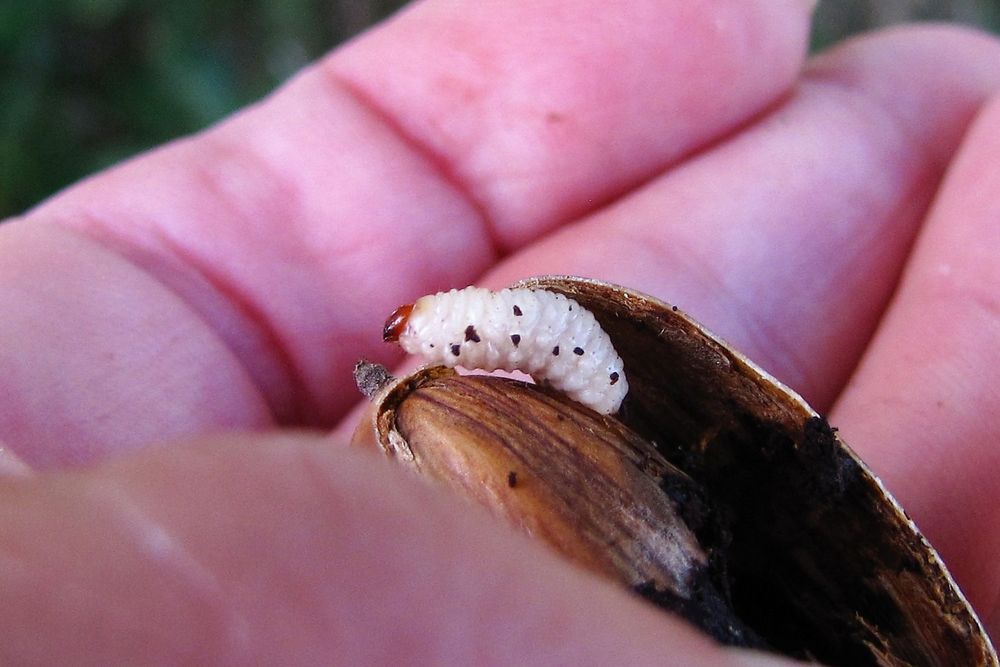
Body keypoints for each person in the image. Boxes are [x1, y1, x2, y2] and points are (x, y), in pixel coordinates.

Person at [1, 2, 998, 663]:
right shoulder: (468, 343)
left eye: (418, 330)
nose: (412, 341)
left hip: (587, 380)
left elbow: (546, 342)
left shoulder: (499, 345)